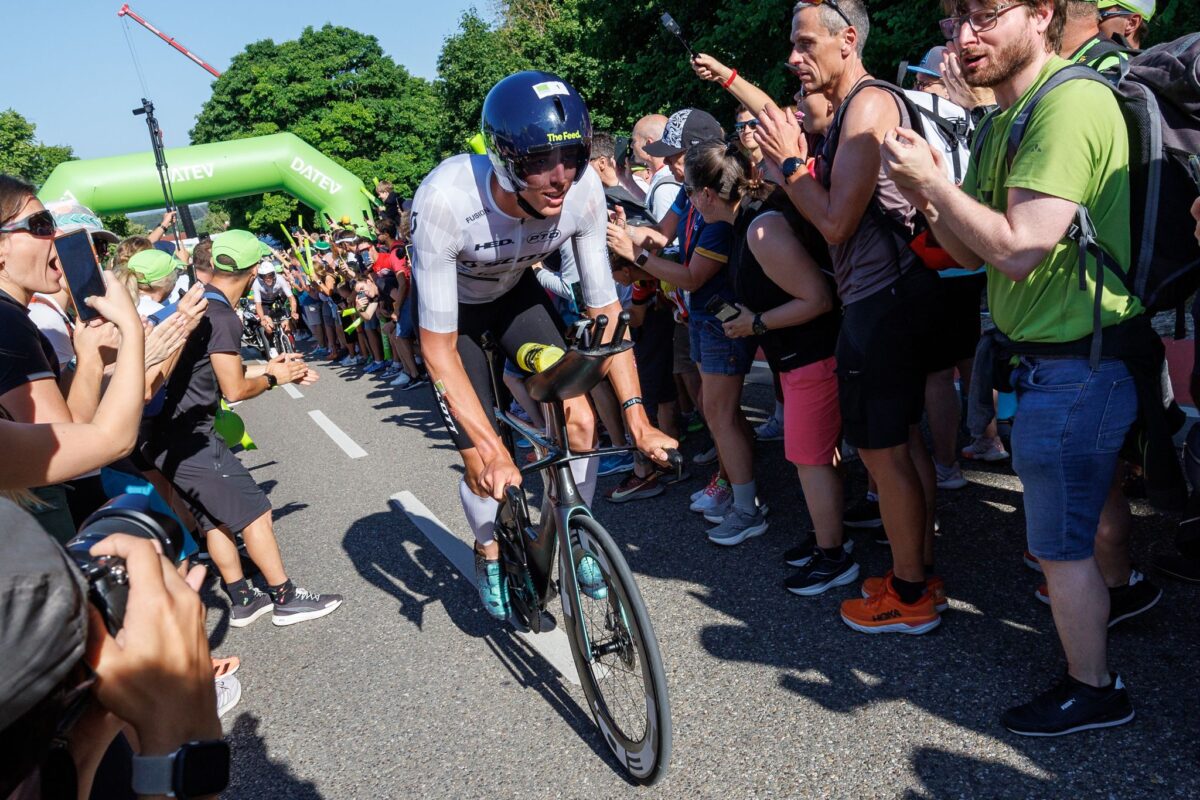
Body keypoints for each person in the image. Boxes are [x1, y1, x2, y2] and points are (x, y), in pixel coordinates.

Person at [883, 0, 1149, 735]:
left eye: (985, 14)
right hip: (1057, 361)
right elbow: (973, 255)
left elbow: (1018, 248)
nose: (965, 37)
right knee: (1088, 516)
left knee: (1057, 547)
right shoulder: (1007, 118)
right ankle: (1122, 593)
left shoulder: (1066, 107)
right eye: (954, 19)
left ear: (1041, 13)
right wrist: (929, 189)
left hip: (1077, 365)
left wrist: (935, 188)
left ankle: (1094, 687)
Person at [409, 71, 676, 620]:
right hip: (451, 318)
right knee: (481, 460)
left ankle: (576, 535)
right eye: (537, 162)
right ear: (505, 158)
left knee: (579, 418)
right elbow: (435, 350)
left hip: (514, 298)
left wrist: (637, 418)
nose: (559, 178)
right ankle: (487, 549)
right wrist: (492, 447)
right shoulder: (444, 199)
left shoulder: (584, 190)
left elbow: (605, 313)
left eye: (572, 158)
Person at [754, 0, 943, 632]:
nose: (793, 57)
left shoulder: (868, 105)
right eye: (792, 44)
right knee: (900, 443)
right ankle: (916, 570)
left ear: (847, 40)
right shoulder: (855, 109)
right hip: (886, 295)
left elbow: (835, 220)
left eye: (806, 44)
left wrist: (787, 166)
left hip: (884, 298)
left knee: (884, 451)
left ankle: (911, 595)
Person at [145, 229, 343, 627]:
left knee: (213, 518)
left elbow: (216, 372)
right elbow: (234, 387)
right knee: (255, 513)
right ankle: (285, 597)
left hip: (161, 436)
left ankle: (242, 598)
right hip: (190, 437)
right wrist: (273, 380)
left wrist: (272, 368)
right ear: (253, 271)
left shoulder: (200, 302)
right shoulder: (223, 316)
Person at [684, 139, 851, 593]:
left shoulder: (761, 228)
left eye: (689, 192)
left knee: (809, 460)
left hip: (812, 356)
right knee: (811, 458)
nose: (689, 202)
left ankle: (834, 556)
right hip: (800, 356)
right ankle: (829, 539)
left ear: (706, 195)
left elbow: (818, 299)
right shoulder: (748, 220)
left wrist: (755, 322)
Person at [609, 108, 765, 543]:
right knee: (717, 411)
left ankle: (747, 504)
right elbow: (660, 234)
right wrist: (629, 232)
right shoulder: (689, 192)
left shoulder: (716, 210)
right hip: (700, 316)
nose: (668, 164)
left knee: (719, 412)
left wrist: (636, 256)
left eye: (675, 156)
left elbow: (694, 275)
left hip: (720, 316)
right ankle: (736, 487)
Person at [252, 259, 298, 357]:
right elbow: (258, 305)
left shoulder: (280, 279)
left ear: (274, 274)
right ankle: (271, 345)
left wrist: (293, 311)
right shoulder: (257, 283)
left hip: (277, 300)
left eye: (270, 275)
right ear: (261, 277)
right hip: (264, 304)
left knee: (286, 323)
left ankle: (290, 341)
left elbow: (291, 298)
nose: (268, 278)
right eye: (265, 276)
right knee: (268, 327)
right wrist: (263, 318)